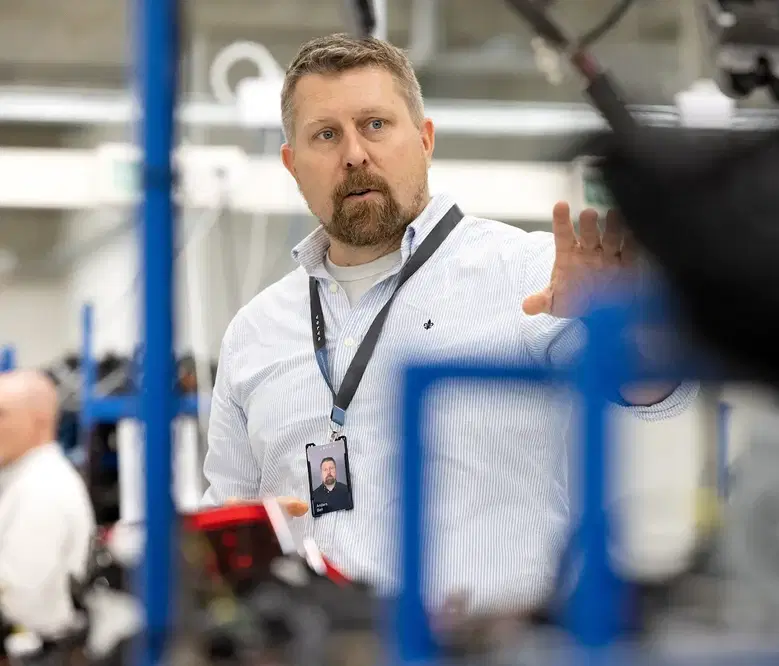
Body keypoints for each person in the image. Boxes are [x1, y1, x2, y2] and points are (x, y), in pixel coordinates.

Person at [202, 33, 699, 613]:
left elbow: (658, 389)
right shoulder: (254, 333)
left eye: (376, 125)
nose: (355, 154)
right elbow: (226, 519)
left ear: (425, 139)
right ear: (292, 163)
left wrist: (622, 321)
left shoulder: (534, 275)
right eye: (326, 134)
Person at [0, 371, 96, 642]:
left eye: (1, 415)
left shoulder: (43, 488)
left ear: (39, 420)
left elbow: (18, 600)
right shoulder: (23, 479)